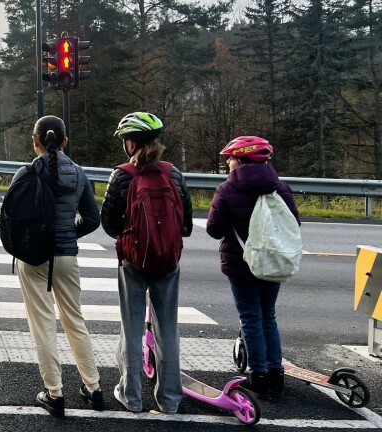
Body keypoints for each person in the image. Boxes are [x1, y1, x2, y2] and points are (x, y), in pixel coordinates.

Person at [9, 115, 105, 416]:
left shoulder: (25, 173)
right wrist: (66, 232)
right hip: (66, 256)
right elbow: (92, 219)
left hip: (32, 258)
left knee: (43, 327)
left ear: (35, 141)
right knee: (75, 321)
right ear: (64, 141)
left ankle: (54, 394)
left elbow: (13, 218)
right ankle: (94, 388)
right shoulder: (78, 174)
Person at [101, 112, 193, 414]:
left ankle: (131, 396)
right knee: (168, 330)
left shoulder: (122, 176)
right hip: (168, 262)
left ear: (131, 143)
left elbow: (110, 225)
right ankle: (169, 400)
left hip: (133, 262)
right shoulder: (174, 174)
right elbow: (187, 225)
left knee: (131, 329)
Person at [205, 136, 299, 398]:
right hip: (272, 263)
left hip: (241, 263)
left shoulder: (226, 190)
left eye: (231, 158)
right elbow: (293, 226)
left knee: (250, 317)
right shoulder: (280, 188)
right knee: (267, 315)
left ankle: (258, 376)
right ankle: (275, 374)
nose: (228, 162)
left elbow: (215, 230)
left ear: (241, 160)